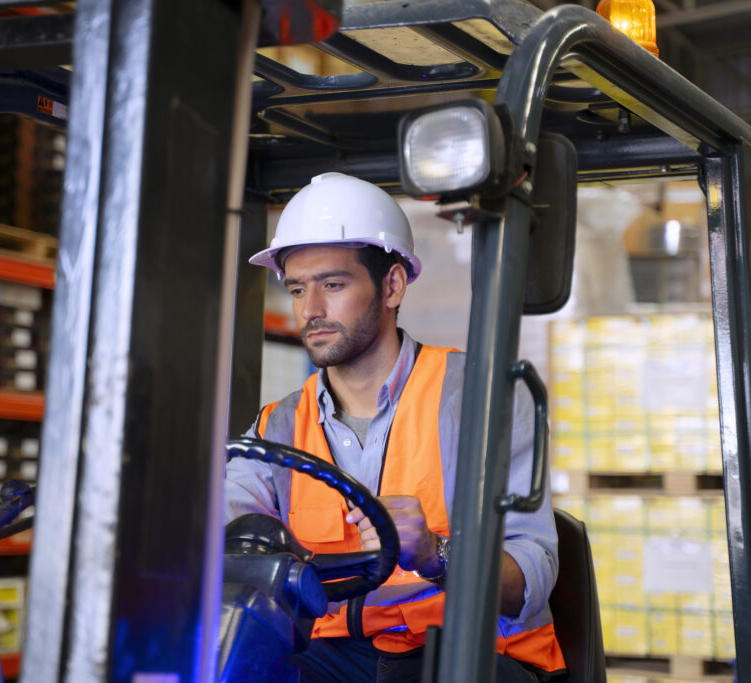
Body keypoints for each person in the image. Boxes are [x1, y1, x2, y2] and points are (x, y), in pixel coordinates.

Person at [225, 172, 566, 682]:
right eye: (297, 289)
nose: (310, 311)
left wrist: (436, 555)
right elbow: (226, 533)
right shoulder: (277, 427)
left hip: (466, 655)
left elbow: (532, 571)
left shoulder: (479, 396)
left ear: (392, 285)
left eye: (333, 285)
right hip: (334, 658)